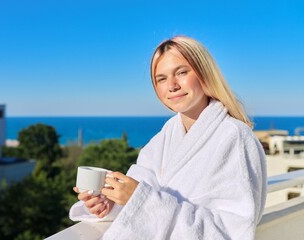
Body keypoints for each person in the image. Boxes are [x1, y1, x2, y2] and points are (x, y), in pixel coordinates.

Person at [70, 35, 267, 240]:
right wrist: (112, 204)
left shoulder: (233, 137)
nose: (172, 85)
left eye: (181, 72)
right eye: (161, 79)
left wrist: (140, 200)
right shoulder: (165, 137)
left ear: (205, 74)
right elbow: (142, 194)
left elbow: (232, 231)